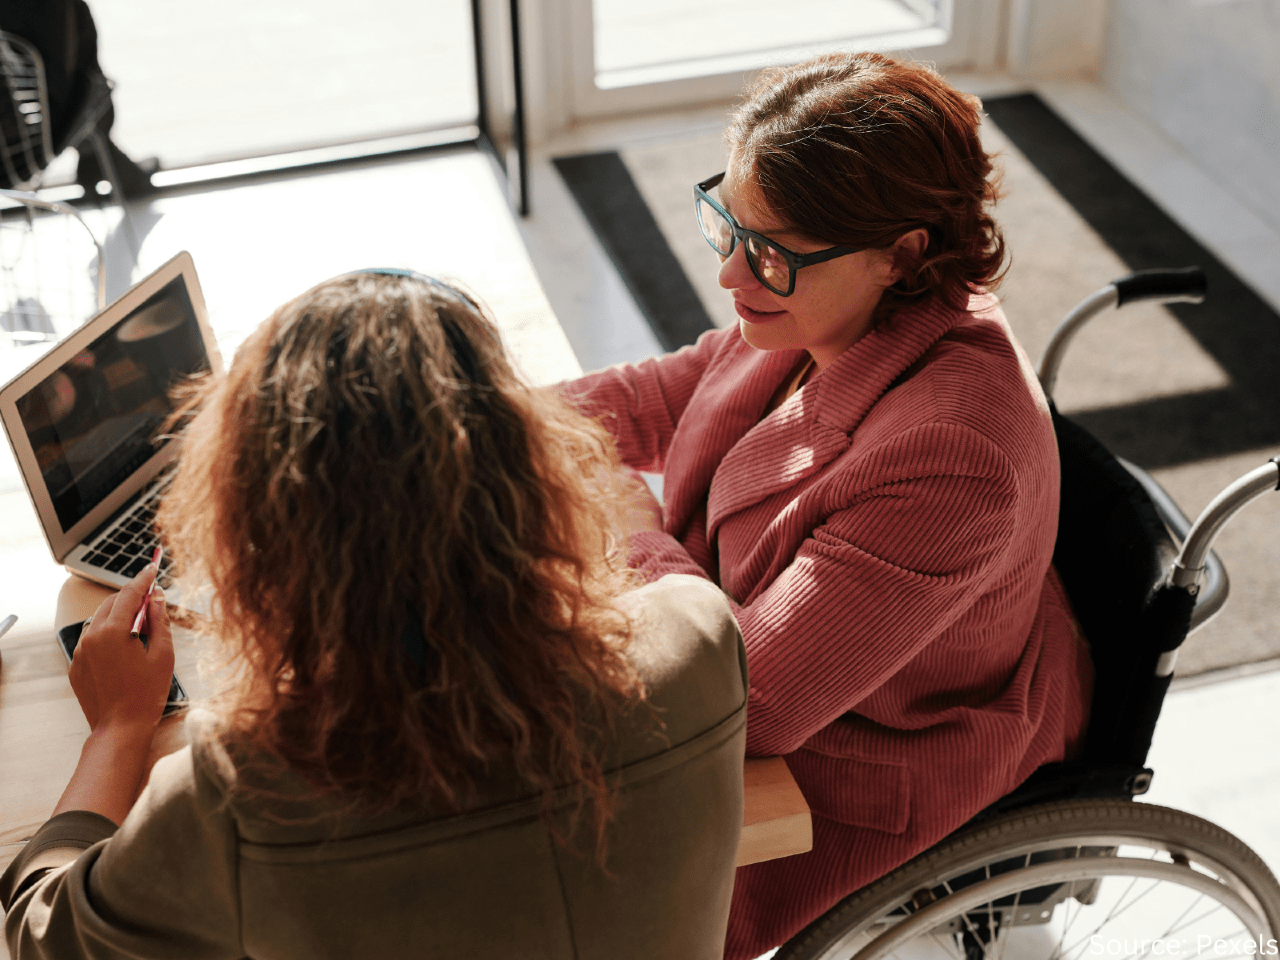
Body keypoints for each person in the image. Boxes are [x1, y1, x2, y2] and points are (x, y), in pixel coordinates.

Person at [0, 270, 749, 959]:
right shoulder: (700, 637)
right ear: (534, 469)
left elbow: (40, 938)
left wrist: (119, 727)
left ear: (257, 535)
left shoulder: (241, 794)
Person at [562, 51, 1094, 959]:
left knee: (565, 872)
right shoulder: (820, 303)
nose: (731, 275)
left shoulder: (952, 456)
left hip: (860, 764)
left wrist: (627, 525)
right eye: (724, 223)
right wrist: (465, 416)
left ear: (905, 253)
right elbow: (663, 396)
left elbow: (751, 704)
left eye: (767, 252)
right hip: (779, 649)